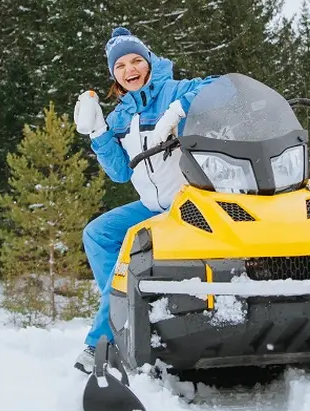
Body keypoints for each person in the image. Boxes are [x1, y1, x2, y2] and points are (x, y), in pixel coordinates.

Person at [71, 26, 214, 373]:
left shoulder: (173, 90)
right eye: (120, 66)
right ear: (113, 75)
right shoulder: (120, 116)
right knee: (98, 234)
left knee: (127, 254)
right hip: (153, 208)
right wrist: (98, 132)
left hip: (188, 204)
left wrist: (178, 109)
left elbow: (221, 85)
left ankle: (101, 340)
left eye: (136, 60)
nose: (129, 69)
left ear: (149, 62)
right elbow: (121, 172)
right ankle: (125, 306)